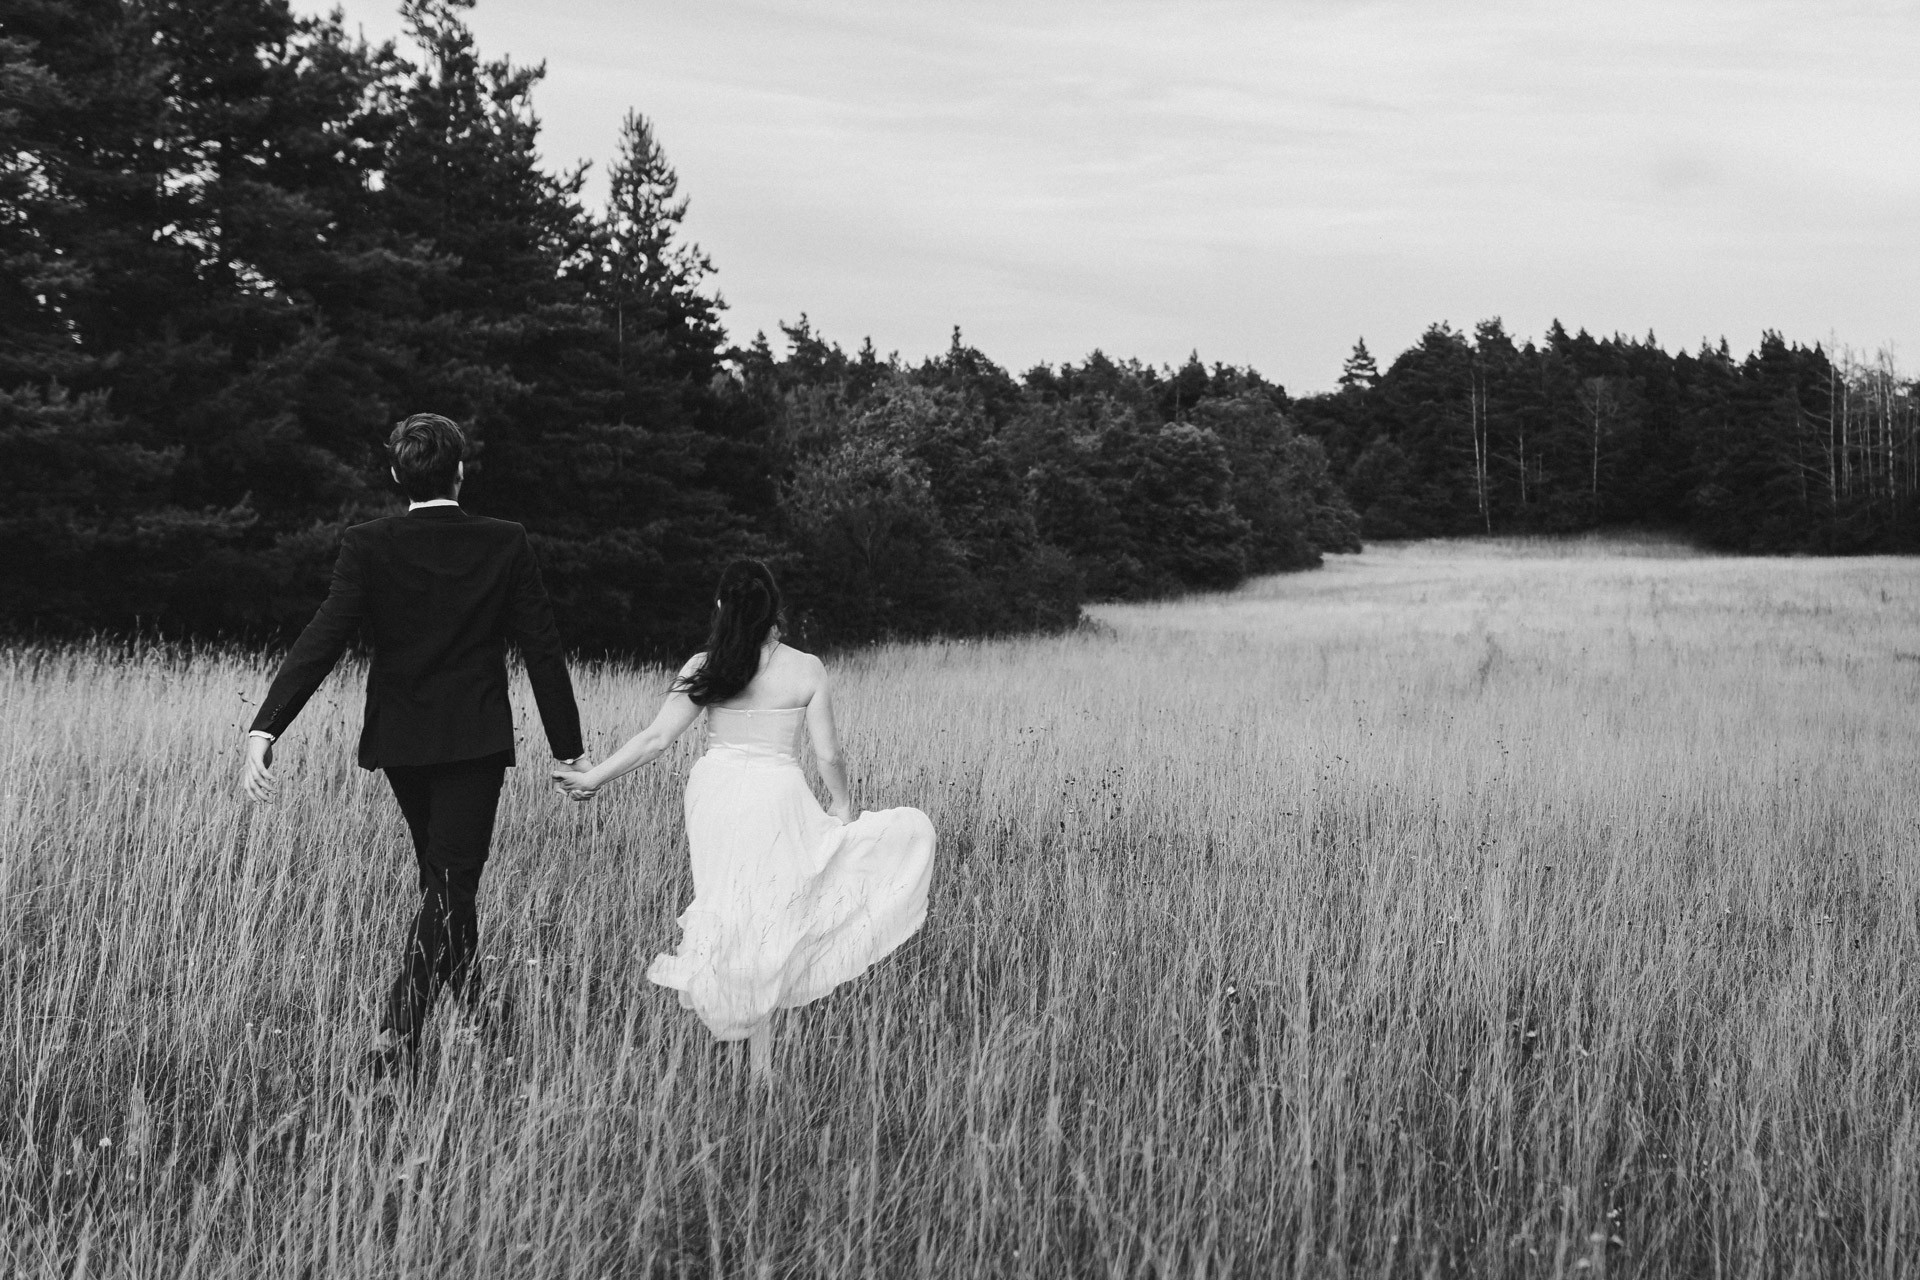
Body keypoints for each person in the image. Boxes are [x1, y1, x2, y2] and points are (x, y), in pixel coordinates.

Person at [241, 413, 587, 1078]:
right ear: (460, 471)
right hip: (474, 741)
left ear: (398, 474)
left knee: (446, 881)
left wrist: (266, 728)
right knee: (451, 883)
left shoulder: (367, 543)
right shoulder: (504, 541)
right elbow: (541, 647)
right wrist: (568, 750)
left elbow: (324, 636)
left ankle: (483, 1024)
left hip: (401, 742)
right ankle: (396, 1035)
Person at [552, 559, 934, 1080]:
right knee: (772, 914)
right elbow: (828, 754)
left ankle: (752, 1049)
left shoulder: (705, 665)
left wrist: (594, 777)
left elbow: (655, 740)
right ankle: (760, 1066)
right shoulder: (806, 668)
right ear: (774, 608)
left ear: (720, 608)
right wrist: (843, 807)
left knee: (733, 911)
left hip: (716, 795)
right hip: (777, 794)